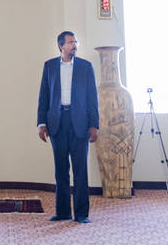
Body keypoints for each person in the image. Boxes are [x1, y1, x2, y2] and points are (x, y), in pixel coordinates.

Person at [36, 30, 99, 223]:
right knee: (61, 170)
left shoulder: (86, 67)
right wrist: (42, 123)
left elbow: (92, 98)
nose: (75, 45)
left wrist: (94, 125)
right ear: (61, 46)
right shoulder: (49, 67)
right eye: (71, 42)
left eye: (76, 42)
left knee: (80, 171)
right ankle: (62, 212)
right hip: (57, 123)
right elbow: (43, 96)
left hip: (80, 124)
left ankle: (81, 214)